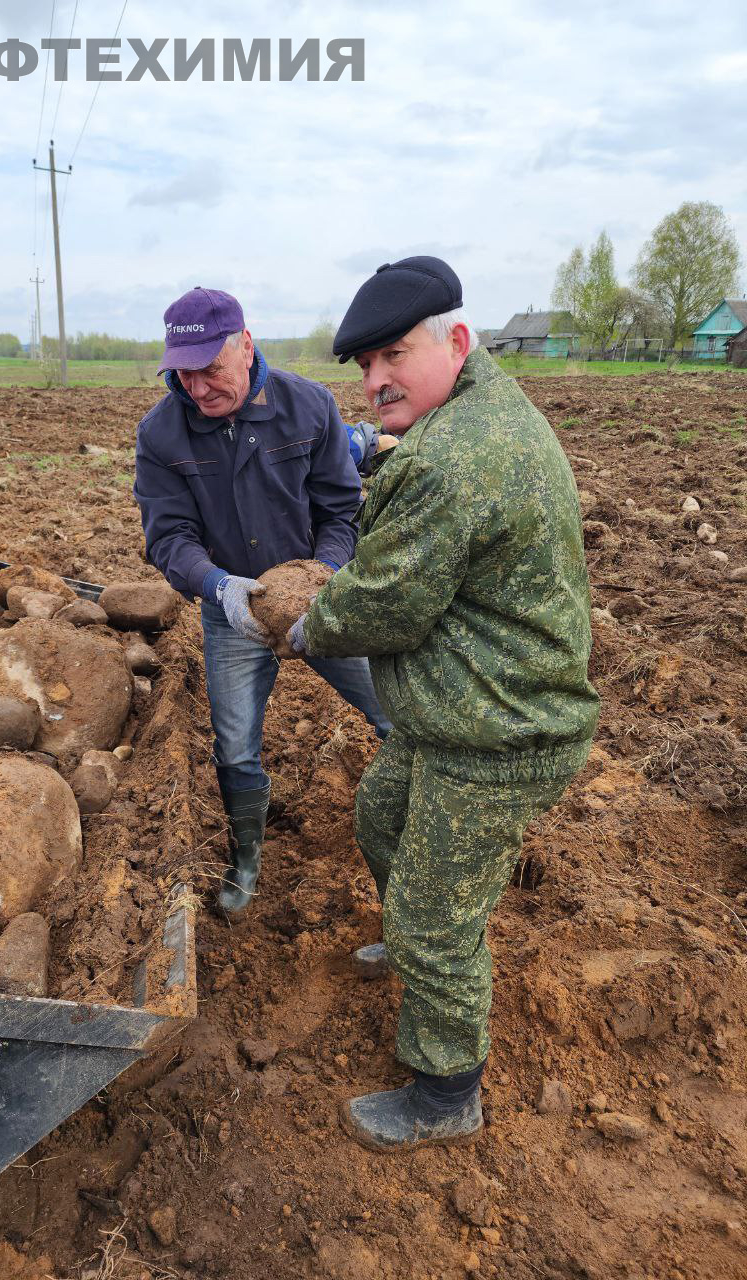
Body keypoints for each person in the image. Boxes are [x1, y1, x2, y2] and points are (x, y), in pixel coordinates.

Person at [284, 256, 600, 1151]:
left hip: (498, 730)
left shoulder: (451, 461)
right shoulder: (480, 409)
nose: (376, 379)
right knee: (381, 815)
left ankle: (445, 1091)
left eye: (393, 356)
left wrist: (307, 626)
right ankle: (421, 949)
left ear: (456, 341)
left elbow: (383, 601)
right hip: (461, 704)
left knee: (433, 914)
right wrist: (390, 450)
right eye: (365, 366)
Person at [133, 286, 392, 917]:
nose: (196, 388)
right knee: (235, 744)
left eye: (210, 370)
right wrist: (219, 586)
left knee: (395, 716)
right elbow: (168, 537)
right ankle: (246, 857)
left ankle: (407, 844)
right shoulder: (163, 433)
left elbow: (340, 509)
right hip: (233, 610)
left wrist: (323, 576)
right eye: (182, 374)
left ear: (245, 346)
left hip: (322, 607)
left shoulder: (308, 407)